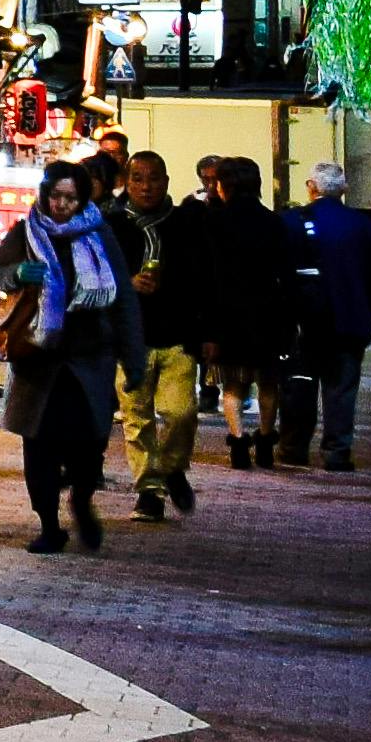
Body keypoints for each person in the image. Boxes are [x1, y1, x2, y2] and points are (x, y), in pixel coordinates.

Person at [0, 158, 128, 550]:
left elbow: (123, 302)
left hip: (88, 360)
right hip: (39, 359)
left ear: (83, 199)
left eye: (71, 198)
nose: (61, 205)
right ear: (44, 195)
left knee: (88, 447)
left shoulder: (100, 236)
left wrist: (133, 359)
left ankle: (81, 501)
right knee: (40, 450)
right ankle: (49, 525)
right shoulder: (26, 232)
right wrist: (18, 274)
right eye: (56, 196)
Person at [166, 157, 300, 471]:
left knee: (234, 386)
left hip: (227, 316)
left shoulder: (214, 222)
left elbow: (206, 274)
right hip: (267, 314)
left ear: (225, 185)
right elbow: (287, 273)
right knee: (268, 384)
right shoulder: (274, 222)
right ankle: (266, 442)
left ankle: (239, 443)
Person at [113, 147, 214, 518]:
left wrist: (208, 332)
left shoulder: (187, 222)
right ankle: (149, 491)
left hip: (178, 335)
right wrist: (129, 284)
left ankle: (172, 468)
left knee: (181, 412)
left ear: (166, 181)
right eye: (137, 178)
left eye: (153, 178)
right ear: (127, 181)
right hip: (130, 339)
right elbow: (96, 278)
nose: (146, 186)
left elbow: (206, 278)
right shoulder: (112, 224)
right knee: (136, 419)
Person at [285, 158, 371, 472]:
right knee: (342, 388)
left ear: (310, 187)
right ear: (344, 189)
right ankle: (337, 451)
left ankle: (293, 447)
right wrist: (368, 314)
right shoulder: (365, 226)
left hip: (305, 321)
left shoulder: (291, 221)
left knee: (300, 384)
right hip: (350, 321)